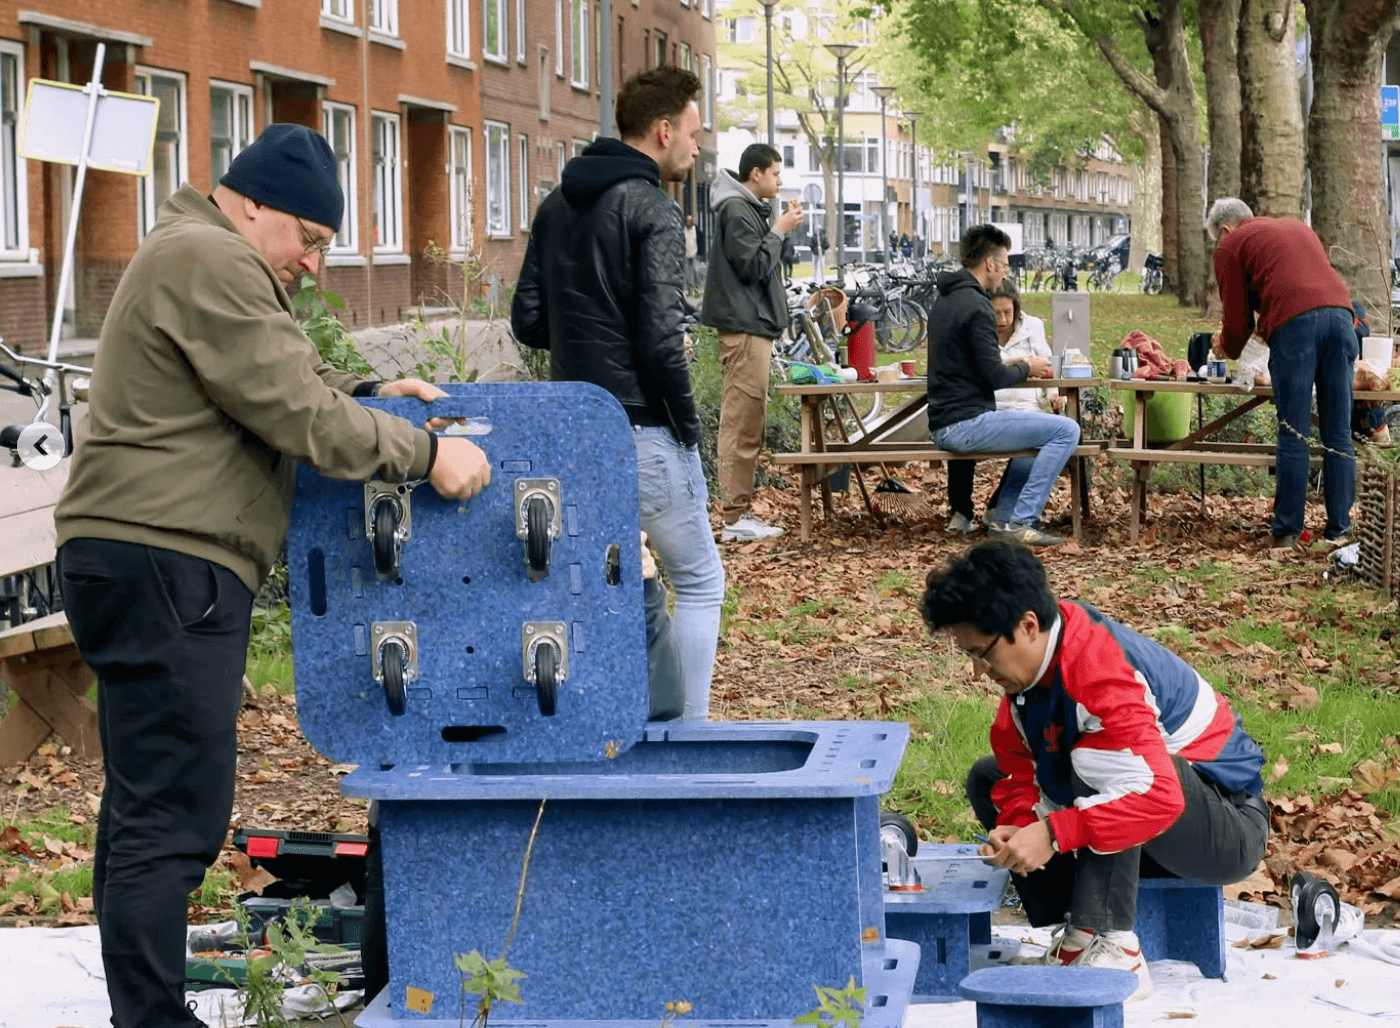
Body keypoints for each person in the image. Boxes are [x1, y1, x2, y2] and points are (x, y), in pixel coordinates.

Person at [52, 123, 491, 1028]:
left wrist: (367, 398)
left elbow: (271, 380)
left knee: (149, 807)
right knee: (175, 814)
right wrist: (421, 454)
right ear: (254, 203)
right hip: (170, 559)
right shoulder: (209, 262)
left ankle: (140, 1012)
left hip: (139, 555)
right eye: (312, 239)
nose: (316, 265)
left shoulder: (197, 255)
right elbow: (292, 410)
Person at [920, 541, 1269, 1001]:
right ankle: (1078, 938)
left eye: (982, 653)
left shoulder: (1099, 671)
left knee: (1099, 764)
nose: (977, 670)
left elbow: (1156, 796)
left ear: (1027, 626)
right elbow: (1017, 765)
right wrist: (1021, 825)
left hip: (1225, 828)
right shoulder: (1039, 659)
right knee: (989, 778)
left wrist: (1052, 834)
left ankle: (1117, 950)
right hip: (1159, 824)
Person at [512, 66, 724, 720]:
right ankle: (686, 739)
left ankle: (600, 724)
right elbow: (662, 342)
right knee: (698, 581)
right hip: (641, 430)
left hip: (572, 432)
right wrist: (688, 431)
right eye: (692, 132)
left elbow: (529, 320)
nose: (697, 146)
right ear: (663, 132)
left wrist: (590, 332)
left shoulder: (555, 205)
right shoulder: (653, 207)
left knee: (596, 585)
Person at [1207, 197, 1358, 548]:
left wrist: (1224, 347)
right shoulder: (1296, 227)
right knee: (1338, 432)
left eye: (1217, 237)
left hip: (1296, 329)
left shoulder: (1231, 244)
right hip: (1341, 318)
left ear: (1226, 229)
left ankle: (1288, 531)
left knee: (1294, 430)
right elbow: (1304, 283)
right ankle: (1339, 531)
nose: (1219, 244)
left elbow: (1237, 320)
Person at [926, 225, 1080, 547]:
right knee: (1066, 430)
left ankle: (1005, 513)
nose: (1005, 273)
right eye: (1006, 265)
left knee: (1046, 431)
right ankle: (1020, 522)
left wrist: (1014, 365)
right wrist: (1027, 366)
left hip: (943, 420)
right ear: (990, 264)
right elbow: (995, 376)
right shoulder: (977, 305)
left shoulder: (944, 301)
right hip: (966, 423)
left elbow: (974, 364)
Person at [701, 142, 803, 542]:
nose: (779, 181)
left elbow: (762, 261)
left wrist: (778, 229)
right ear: (756, 173)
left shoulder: (746, 208)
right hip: (745, 328)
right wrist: (779, 230)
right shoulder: (736, 209)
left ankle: (736, 514)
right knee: (742, 421)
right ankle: (733, 518)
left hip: (752, 326)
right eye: (775, 173)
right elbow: (754, 265)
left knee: (749, 419)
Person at [946, 284, 1066, 534]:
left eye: (1007, 313)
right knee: (961, 436)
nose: (1002, 320)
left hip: (1026, 404)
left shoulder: (1033, 327)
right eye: (995, 313)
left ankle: (1000, 508)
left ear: (1016, 309)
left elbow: (1046, 365)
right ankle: (961, 511)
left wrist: (1054, 395)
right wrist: (1018, 364)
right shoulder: (976, 329)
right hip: (989, 404)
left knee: (1035, 443)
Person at [684, 214, 699, 294]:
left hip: (694, 254)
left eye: (691, 221)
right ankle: (689, 290)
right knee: (687, 273)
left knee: (696, 271)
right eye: (688, 221)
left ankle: (697, 287)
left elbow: (700, 240)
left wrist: (699, 252)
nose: (689, 222)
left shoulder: (695, 229)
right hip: (686, 254)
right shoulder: (683, 230)